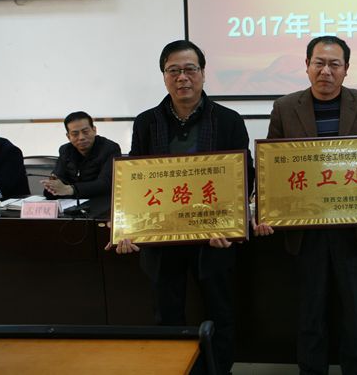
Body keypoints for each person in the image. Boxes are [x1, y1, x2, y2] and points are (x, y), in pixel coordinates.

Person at [107, 40, 253, 375]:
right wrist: (126, 225)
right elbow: (136, 178)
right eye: (173, 70)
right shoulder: (147, 121)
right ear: (164, 76)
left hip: (214, 237)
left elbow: (244, 174)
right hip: (162, 239)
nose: (182, 77)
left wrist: (231, 223)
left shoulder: (228, 120)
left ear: (203, 73)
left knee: (221, 312)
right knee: (167, 314)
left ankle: (220, 371)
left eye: (190, 69)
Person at [256, 35, 357, 375]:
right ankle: (311, 369)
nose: (326, 71)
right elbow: (271, 167)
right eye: (319, 63)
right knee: (310, 310)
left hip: (355, 228)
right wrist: (264, 210)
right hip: (306, 230)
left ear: (346, 69)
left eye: (335, 64)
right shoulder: (285, 108)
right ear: (306, 66)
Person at [42, 111, 122, 205]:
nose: (81, 137)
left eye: (85, 131)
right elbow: (58, 178)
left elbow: (106, 183)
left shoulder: (110, 148)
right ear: (68, 136)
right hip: (72, 204)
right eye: (75, 134)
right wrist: (52, 187)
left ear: (94, 130)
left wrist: (70, 189)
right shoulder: (65, 150)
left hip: (102, 203)